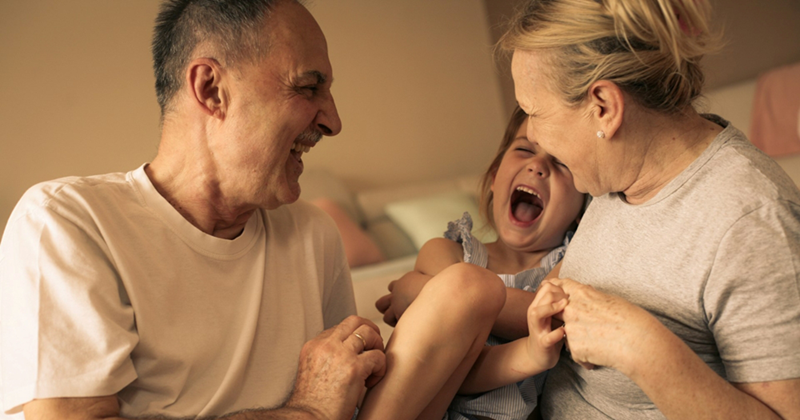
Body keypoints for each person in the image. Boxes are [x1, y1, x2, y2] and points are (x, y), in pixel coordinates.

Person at [0, 1, 386, 419]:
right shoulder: (68, 223)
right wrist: (305, 411)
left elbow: (349, 403)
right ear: (211, 89)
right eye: (309, 88)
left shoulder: (314, 235)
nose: (333, 121)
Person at [497, 0, 800, 418]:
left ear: (603, 106)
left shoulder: (752, 221)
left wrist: (642, 349)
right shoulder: (613, 179)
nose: (533, 134)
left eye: (535, 112)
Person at [357, 106, 587, 420]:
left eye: (561, 161)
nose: (538, 165)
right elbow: (438, 363)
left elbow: (545, 319)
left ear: (582, 203)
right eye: (524, 149)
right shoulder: (447, 252)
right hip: (421, 407)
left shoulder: (571, 263)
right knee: (466, 281)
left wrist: (418, 289)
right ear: (494, 178)